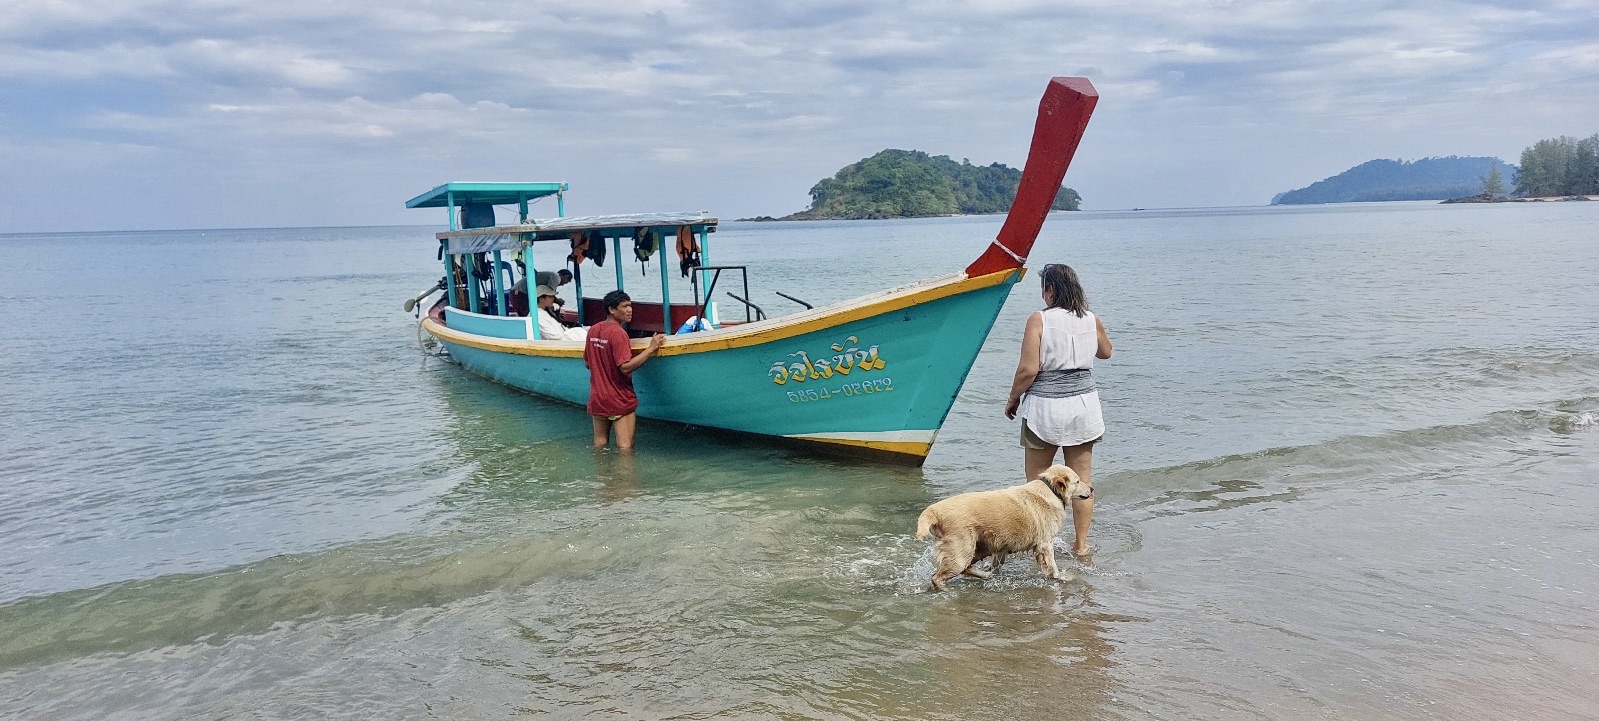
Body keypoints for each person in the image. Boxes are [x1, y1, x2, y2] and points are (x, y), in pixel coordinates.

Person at [1004, 263, 1113, 557]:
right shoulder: (1091, 319)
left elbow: (1028, 369)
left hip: (1044, 410)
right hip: (1083, 407)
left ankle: (1040, 545)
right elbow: (1106, 352)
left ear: (1050, 290)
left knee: (1036, 486)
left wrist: (1013, 398)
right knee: (1083, 482)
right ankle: (1081, 546)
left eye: (1044, 289)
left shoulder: (1038, 320)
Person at [585, 290, 666, 450]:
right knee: (625, 448)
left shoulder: (593, 330)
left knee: (600, 444)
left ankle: (602, 474)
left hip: (597, 397)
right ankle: (624, 476)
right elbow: (625, 367)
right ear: (611, 309)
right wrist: (651, 349)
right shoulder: (618, 333)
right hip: (619, 398)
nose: (630, 310)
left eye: (630, 306)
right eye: (625, 306)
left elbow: (588, 363)